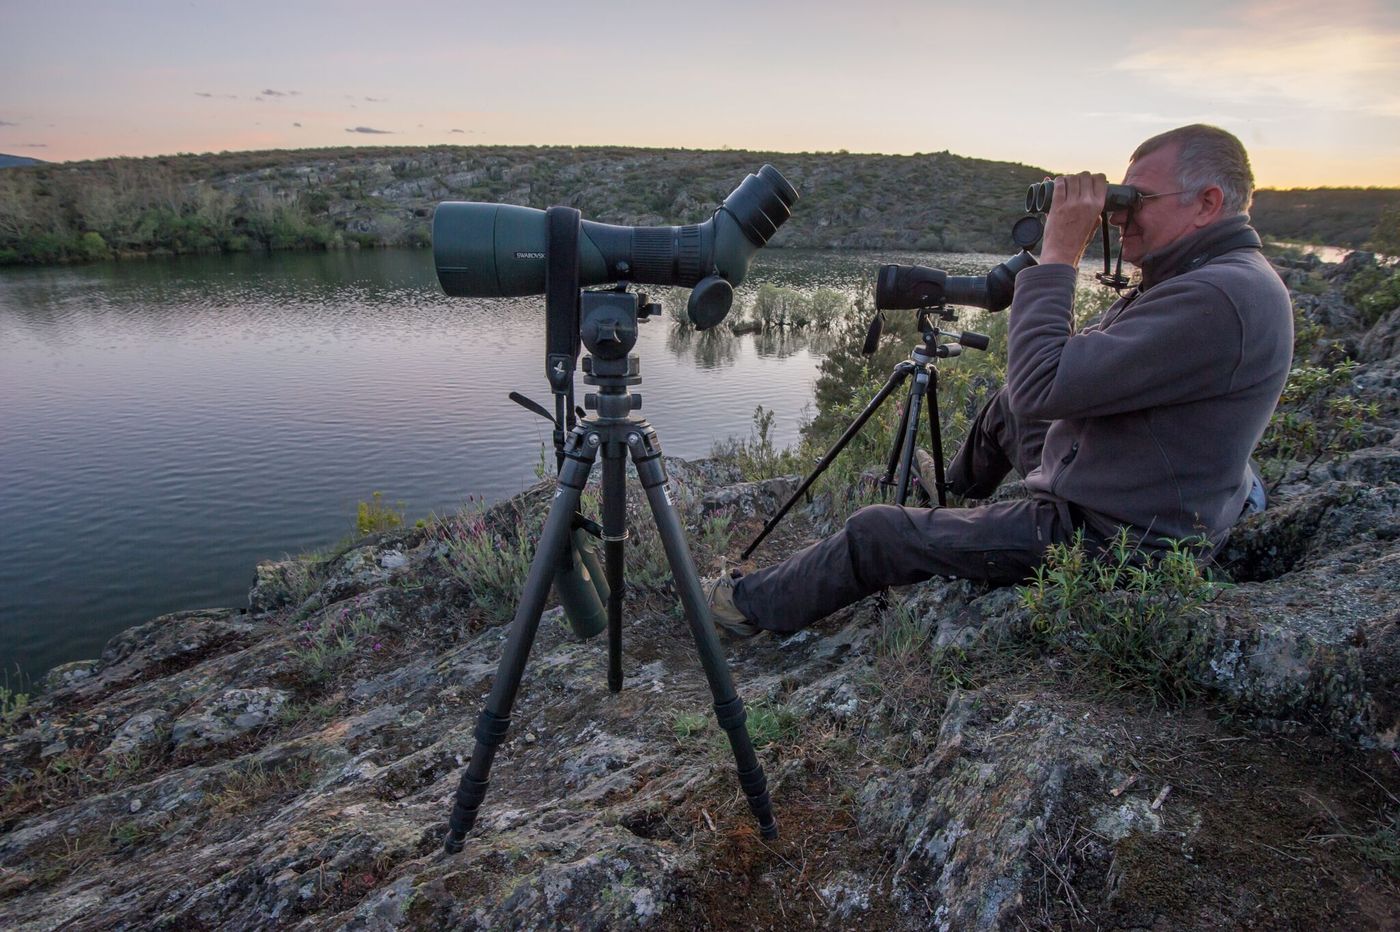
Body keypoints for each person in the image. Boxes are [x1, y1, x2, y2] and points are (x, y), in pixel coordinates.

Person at [709, 124, 1293, 637]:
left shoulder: (1217, 295)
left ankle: (743, 607)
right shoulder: (1205, 275)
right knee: (1008, 407)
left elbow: (1045, 380)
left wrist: (1059, 253)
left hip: (1114, 537)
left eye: (1137, 200)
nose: (1119, 214)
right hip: (1128, 478)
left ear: (1207, 203)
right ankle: (956, 512)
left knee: (876, 532)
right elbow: (1050, 387)